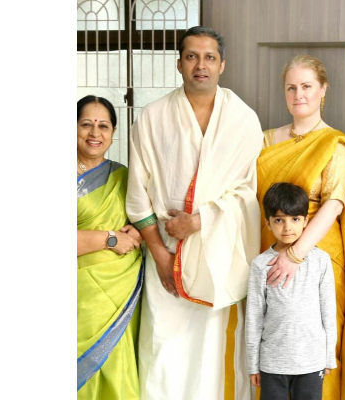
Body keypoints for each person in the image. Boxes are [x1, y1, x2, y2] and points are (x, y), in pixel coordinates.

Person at [125, 26, 263, 400]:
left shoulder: (243, 119)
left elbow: (247, 194)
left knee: (213, 356)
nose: (200, 65)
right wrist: (159, 255)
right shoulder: (152, 117)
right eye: (191, 57)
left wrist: (201, 221)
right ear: (179, 64)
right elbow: (137, 197)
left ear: (222, 65)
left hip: (220, 254)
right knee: (163, 352)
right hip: (165, 252)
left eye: (209, 57)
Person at [257, 54, 345, 400]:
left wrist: (295, 255)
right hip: (271, 251)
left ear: (323, 90)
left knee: (317, 343)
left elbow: (334, 204)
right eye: (291, 87)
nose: (298, 94)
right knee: (273, 338)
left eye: (306, 86)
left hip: (319, 257)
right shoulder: (266, 141)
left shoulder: (335, 144)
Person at [77, 95, 144, 399]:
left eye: (103, 126)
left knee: (117, 367)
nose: (95, 133)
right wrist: (110, 238)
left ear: (114, 132)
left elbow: (142, 223)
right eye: (86, 124)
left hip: (120, 294)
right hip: (81, 299)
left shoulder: (124, 176)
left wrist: (138, 231)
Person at [246, 182, 337, 400]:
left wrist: (328, 357)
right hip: (272, 363)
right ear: (268, 223)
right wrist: (253, 364)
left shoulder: (321, 261)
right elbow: (254, 318)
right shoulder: (260, 265)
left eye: (295, 219)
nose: (287, 227)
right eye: (279, 220)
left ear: (306, 221)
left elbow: (328, 311)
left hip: (311, 362)